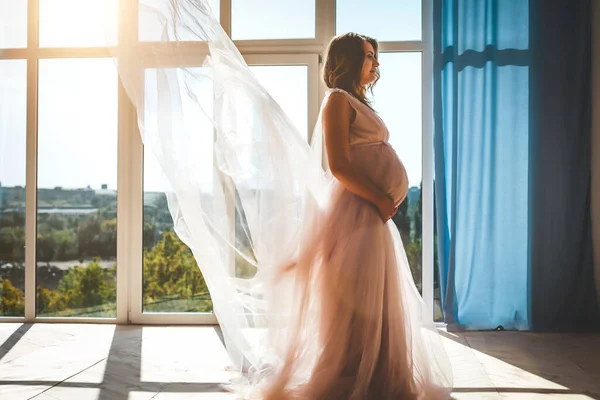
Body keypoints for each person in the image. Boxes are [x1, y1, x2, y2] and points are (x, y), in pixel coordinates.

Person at [256, 32, 452, 399]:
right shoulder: (337, 100)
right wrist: (379, 196)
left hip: (371, 214)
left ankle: (379, 374)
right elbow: (340, 165)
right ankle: (352, 377)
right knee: (356, 303)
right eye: (368, 55)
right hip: (356, 213)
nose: (375, 63)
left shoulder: (359, 102)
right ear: (347, 60)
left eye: (375, 56)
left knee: (376, 300)